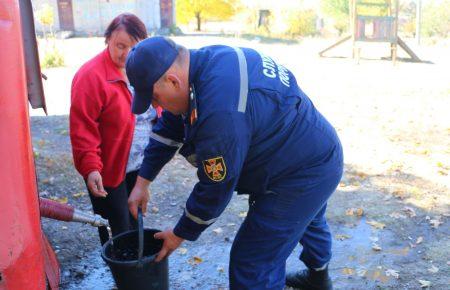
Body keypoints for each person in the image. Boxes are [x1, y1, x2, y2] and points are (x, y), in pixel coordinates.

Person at [126, 36, 343, 290]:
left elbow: (215, 189)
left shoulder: (220, 115)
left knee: (252, 262)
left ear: (173, 81)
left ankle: (315, 278)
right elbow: (170, 127)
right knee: (309, 218)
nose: (155, 105)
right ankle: (319, 280)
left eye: (155, 98)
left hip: (305, 171)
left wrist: (179, 233)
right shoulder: (200, 65)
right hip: (313, 147)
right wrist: (142, 182)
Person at [69, 13, 156, 245]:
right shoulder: (90, 76)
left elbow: (158, 110)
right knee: (117, 229)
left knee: (136, 218)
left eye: (134, 48)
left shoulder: (143, 70)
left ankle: (139, 269)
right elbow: (83, 129)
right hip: (108, 171)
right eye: (120, 46)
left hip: (139, 165)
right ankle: (123, 276)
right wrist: (90, 168)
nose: (126, 54)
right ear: (107, 39)